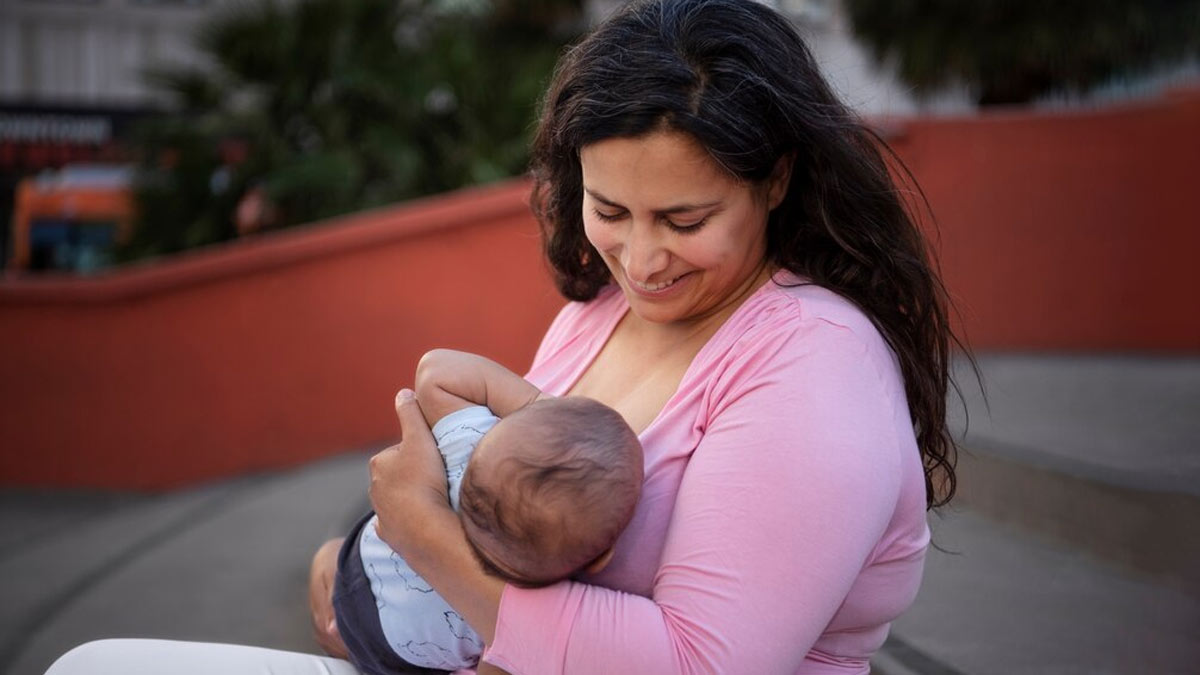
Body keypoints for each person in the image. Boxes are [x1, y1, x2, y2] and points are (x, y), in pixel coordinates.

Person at [46, 0, 962, 673]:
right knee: (93, 664)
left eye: (684, 218)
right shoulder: (598, 315)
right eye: (611, 210)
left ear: (776, 181)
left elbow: (700, 665)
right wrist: (367, 558)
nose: (640, 260)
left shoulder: (812, 360)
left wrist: (425, 544)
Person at [330, 349, 643, 674]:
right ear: (599, 559)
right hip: (390, 652)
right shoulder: (525, 609)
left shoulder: (469, 440)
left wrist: (536, 401)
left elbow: (436, 370)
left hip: (362, 556)